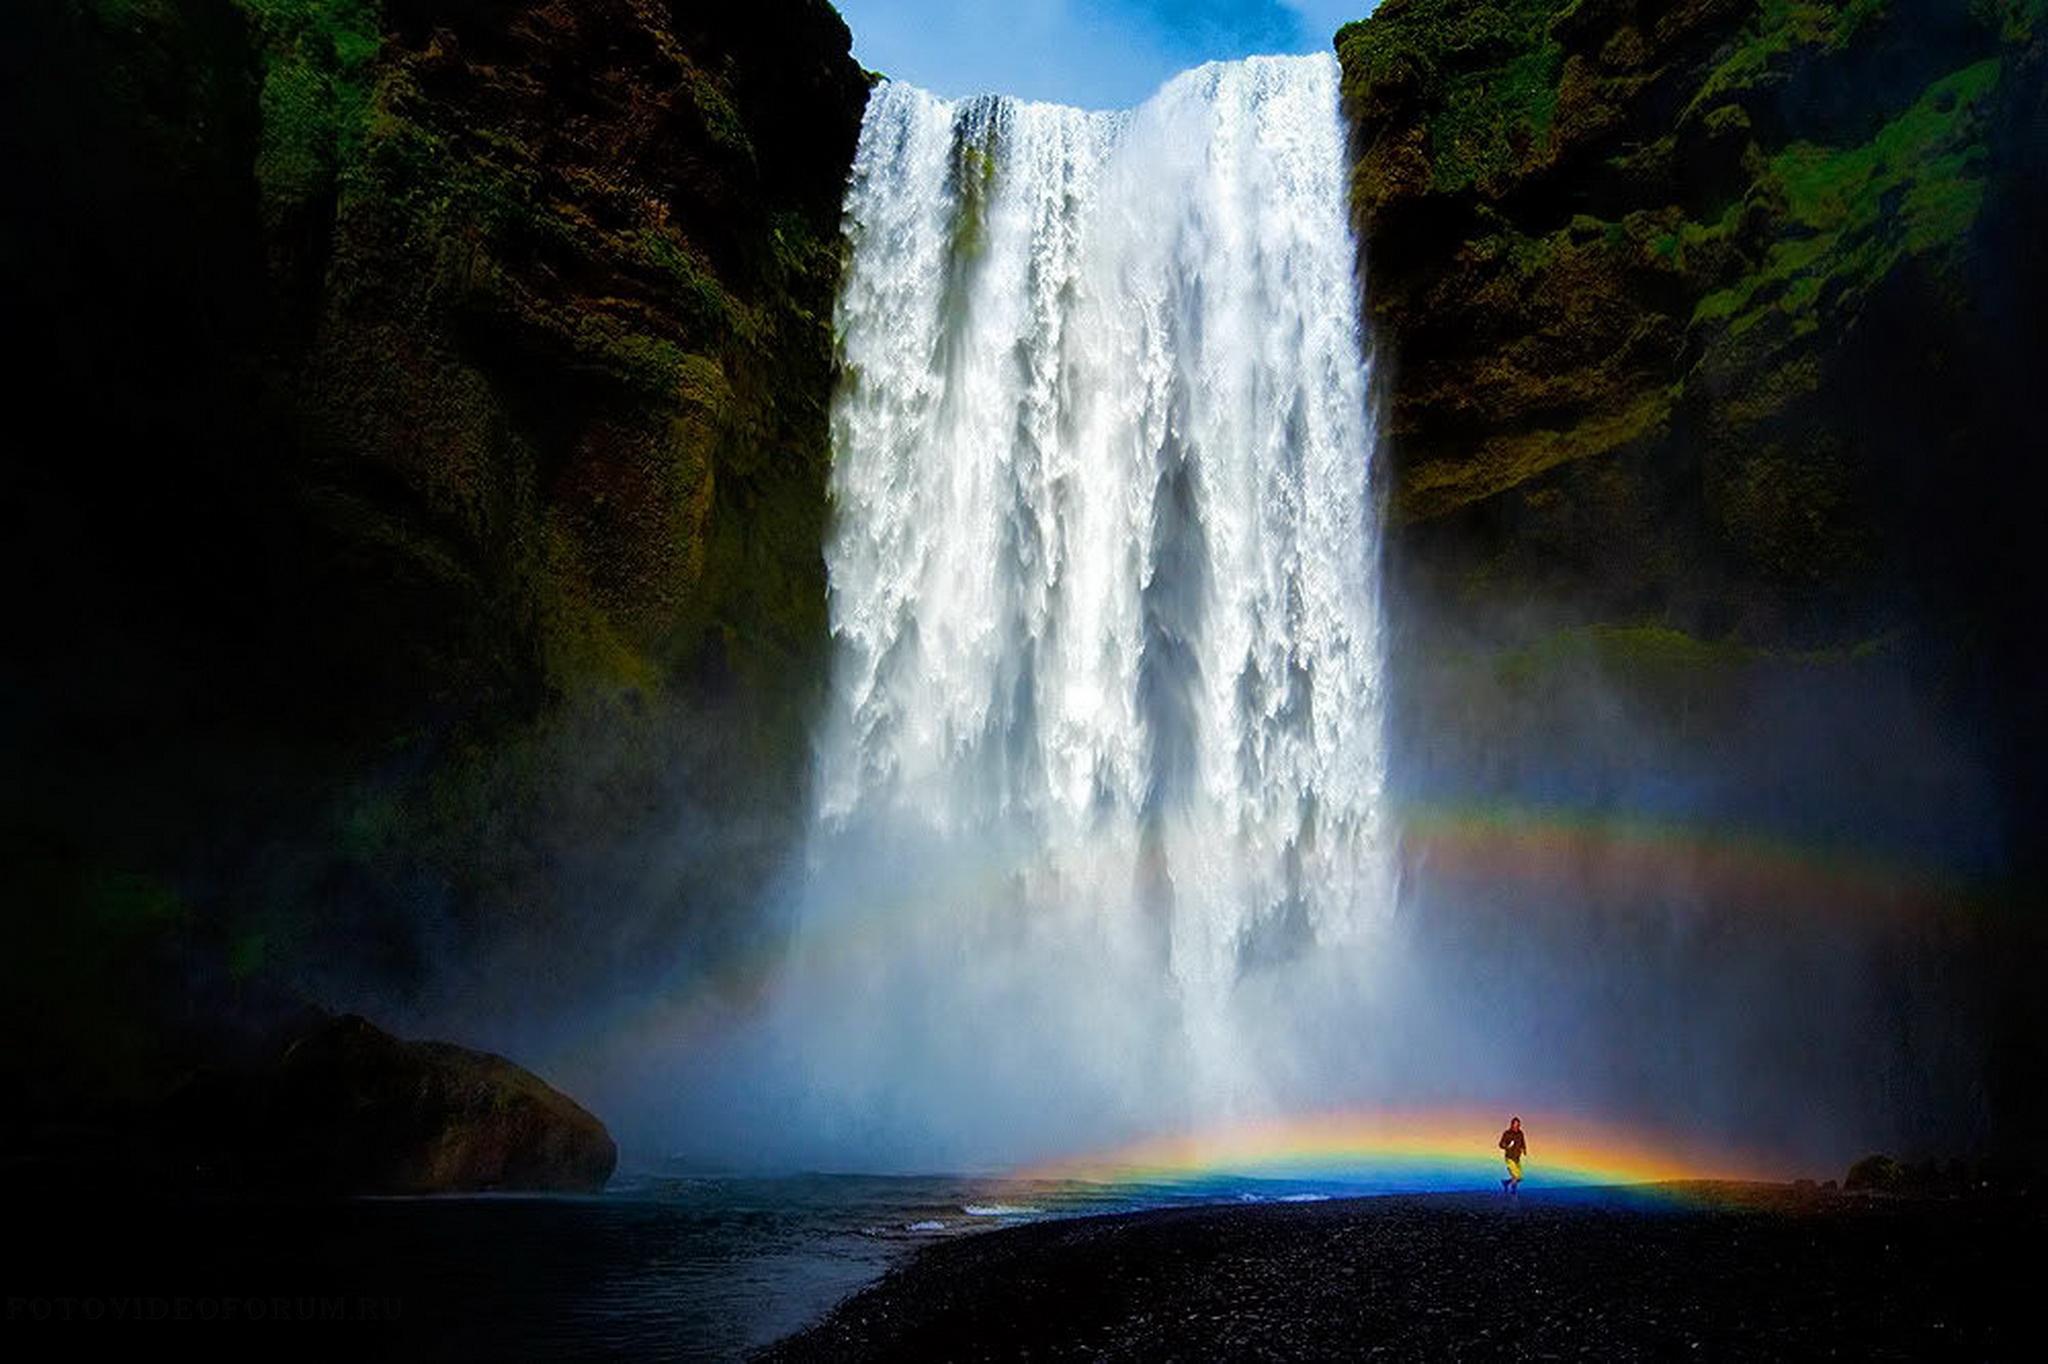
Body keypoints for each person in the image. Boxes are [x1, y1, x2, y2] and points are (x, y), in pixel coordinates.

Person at [1498, 1116, 1526, 1195]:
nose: (1516, 1126)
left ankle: (1506, 1183)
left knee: (1519, 1177)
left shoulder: (1520, 1133)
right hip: (1509, 1157)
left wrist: (1524, 1149)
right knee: (1515, 1175)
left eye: (1518, 1124)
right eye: (1515, 1124)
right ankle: (1513, 1191)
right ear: (1512, 1124)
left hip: (1517, 1157)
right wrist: (1507, 1146)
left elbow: (1523, 1142)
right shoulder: (1507, 1133)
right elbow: (1501, 1144)